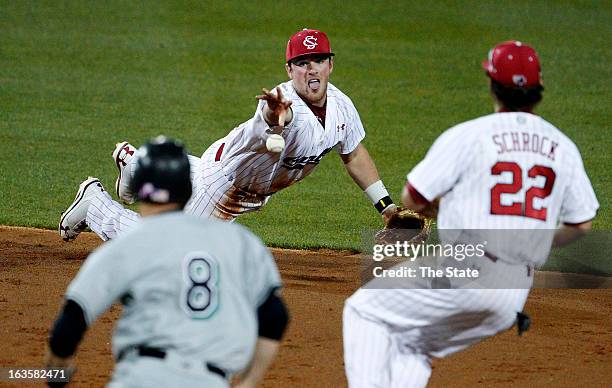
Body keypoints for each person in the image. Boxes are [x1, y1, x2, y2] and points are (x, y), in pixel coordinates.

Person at [342, 41, 599, 387]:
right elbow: (582, 223)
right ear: (539, 91)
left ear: (492, 85)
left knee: (364, 310)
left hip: (467, 269)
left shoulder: (470, 135)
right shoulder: (563, 147)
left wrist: (442, 206)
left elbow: (413, 197)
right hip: (513, 291)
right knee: (413, 343)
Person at [59, 28, 398, 242]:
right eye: (303, 62)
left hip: (233, 169)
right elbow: (276, 118)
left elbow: (353, 153)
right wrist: (275, 115)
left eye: (319, 60)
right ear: (289, 70)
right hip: (226, 185)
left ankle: (138, 165)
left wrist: (386, 207)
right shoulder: (282, 101)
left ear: (330, 65)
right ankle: (95, 205)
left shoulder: (341, 105)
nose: (312, 68)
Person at [47, 136, 289, 387]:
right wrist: (250, 381)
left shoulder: (128, 246)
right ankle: (99, 200)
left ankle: (98, 202)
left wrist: (56, 375)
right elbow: (275, 315)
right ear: (188, 188)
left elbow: (71, 320)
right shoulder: (241, 243)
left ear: (140, 189)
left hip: (139, 379)